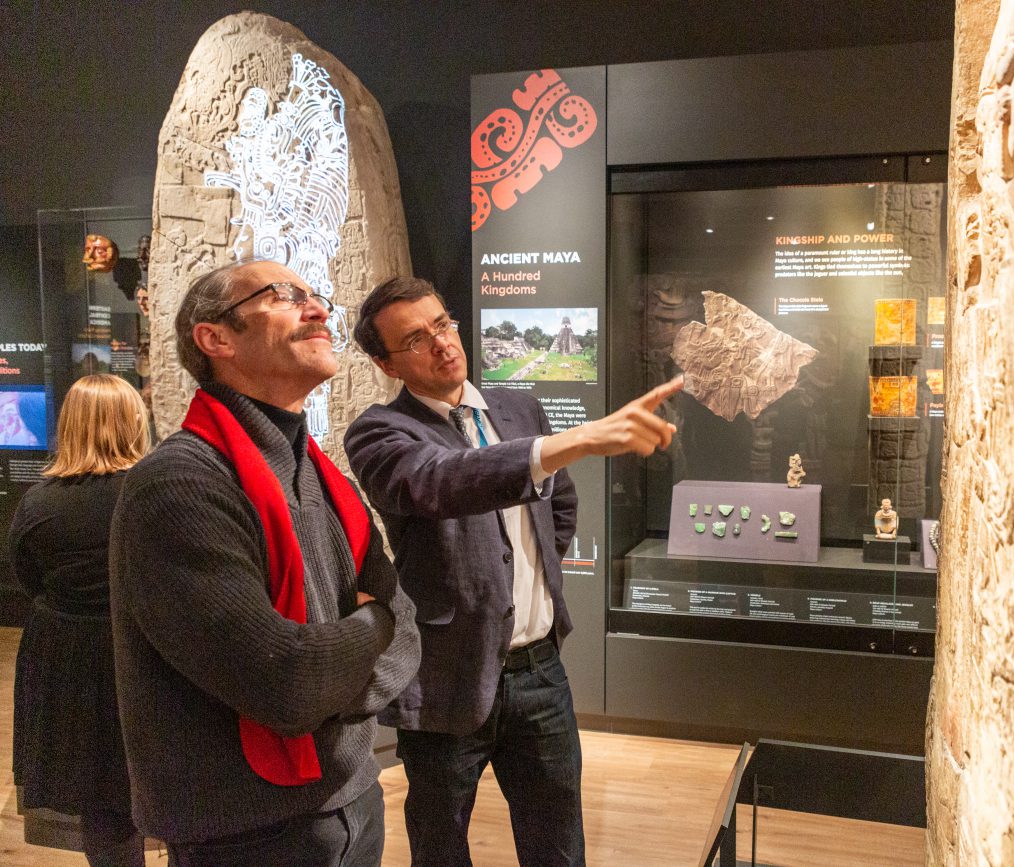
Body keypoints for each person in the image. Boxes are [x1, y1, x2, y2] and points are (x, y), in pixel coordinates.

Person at [344, 276, 681, 866]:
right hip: (449, 674)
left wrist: (538, 573)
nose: (443, 343)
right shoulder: (379, 432)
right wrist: (580, 438)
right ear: (385, 362)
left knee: (557, 840)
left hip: (539, 669)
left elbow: (560, 503)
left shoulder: (517, 406)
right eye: (416, 339)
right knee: (441, 842)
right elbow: (443, 478)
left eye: (443, 324)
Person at [108, 260, 421, 866]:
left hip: (353, 802)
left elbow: (406, 628)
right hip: (245, 832)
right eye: (284, 296)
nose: (319, 310)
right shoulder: (180, 485)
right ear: (216, 338)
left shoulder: (320, 475)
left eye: (315, 296)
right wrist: (372, 624)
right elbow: (287, 684)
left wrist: (343, 676)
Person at [8, 374, 150, 867]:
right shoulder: (151, 495)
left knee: (98, 802)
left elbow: (29, 577)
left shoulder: (38, 503)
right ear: (133, 421)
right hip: (140, 656)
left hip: (65, 658)